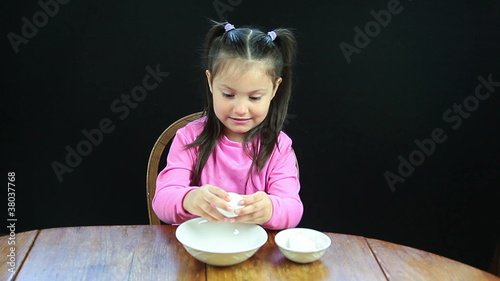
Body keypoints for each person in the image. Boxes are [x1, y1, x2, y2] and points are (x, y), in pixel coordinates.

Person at [152, 21, 302, 230]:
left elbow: (292, 209)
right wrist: (190, 198)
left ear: (275, 89)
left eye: (255, 97)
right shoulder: (189, 138)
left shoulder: (279, 147)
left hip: (255, 254)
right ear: (211, 82)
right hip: (197, 250)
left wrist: (270, 208)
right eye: (228, 95)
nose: (240, 109)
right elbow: (162, 202)